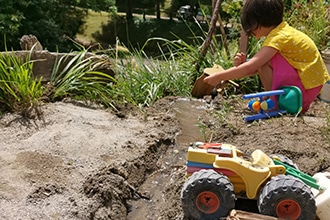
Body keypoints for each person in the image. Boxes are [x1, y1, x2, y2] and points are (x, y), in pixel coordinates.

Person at [203, 0, 329, 113]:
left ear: (259, 20)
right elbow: (254, 68)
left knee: (262, 62)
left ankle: (274, 102)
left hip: (300, 92)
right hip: (306, 88)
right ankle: (274, 99)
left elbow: (254, 66)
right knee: (261, 62)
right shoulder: (283, 32)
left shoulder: (278, 38)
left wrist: (220, 76)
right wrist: (246, 63)